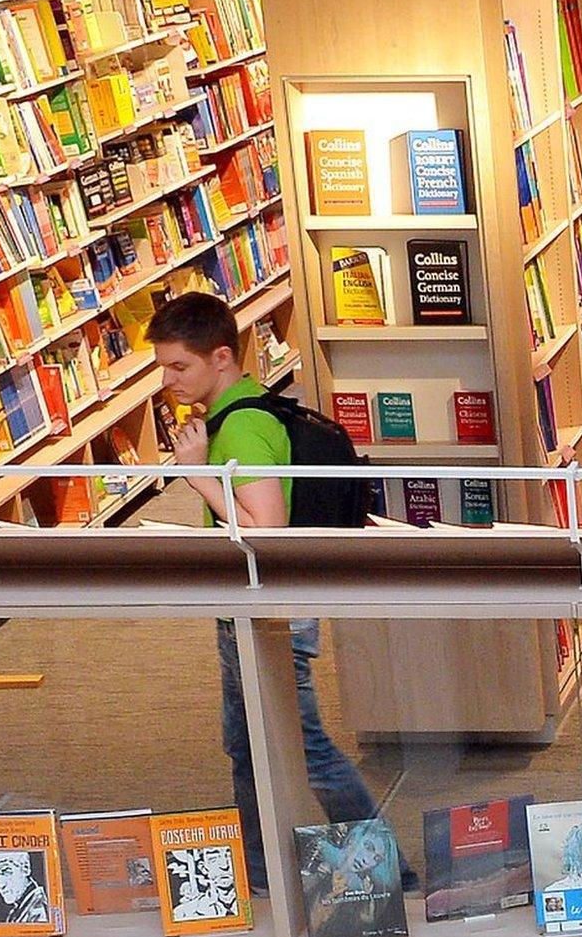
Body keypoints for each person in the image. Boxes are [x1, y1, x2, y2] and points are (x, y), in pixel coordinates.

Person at [147, 292, 410, 894]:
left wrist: (200, 476)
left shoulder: (240, 425)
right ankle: (263, 877)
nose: (168, 381)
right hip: (255, 607)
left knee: (304, 746)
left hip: (269, 613)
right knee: (244, 744)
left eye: (178, 367)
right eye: (163, 368)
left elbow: (265, 527)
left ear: (221, 357)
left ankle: (392, 870)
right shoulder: (250, 410)